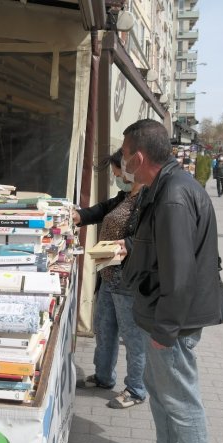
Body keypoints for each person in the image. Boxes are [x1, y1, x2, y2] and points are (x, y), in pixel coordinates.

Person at [118, 119, 223, 443]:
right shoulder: (162, 186)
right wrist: (129, 249)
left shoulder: (172, 195)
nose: (122, 160)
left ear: (140, 156)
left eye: (125, 153)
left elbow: (179, 272)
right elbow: (158, 250)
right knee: (158, 384)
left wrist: (166, 328)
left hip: (173, 318)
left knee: (179, 392)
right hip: (162, 312)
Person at [73, 149, 149, 409]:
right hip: (108, 276)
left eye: (117, 169)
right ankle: (104, 376)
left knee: (132, 336)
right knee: (104, 330)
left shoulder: (148, 198)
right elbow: (102, 209)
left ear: (130, 167)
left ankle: (136, 389)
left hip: (128, 280)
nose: (115, 174)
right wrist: (80, 216)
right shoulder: (125, 196)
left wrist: (127, 243)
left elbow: (147, 235)